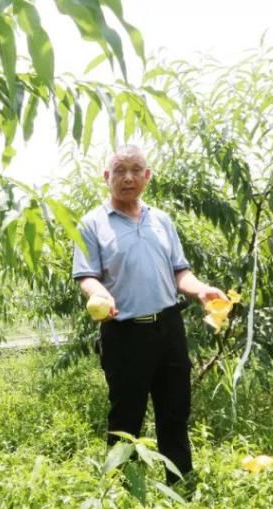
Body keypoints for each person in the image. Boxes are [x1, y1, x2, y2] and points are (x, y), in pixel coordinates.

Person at [72, 145, 225, 487]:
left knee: (175, 410)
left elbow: (179, 272)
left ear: (147, 176)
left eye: (135, 169)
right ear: (106, 177)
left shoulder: (162, 220)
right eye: (119, 170)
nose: (128, 177)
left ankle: (180, 484)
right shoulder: (92, 223)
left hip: (169, 327)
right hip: (124, 332)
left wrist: (200, 290)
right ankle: (121, 489)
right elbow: (86, 274)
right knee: (126, 415)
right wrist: (98, 292)